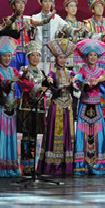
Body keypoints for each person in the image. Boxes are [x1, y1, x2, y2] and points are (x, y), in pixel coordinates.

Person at [37, 38, 77, 176]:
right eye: (60, 57)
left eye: (64, 57)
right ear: (56, 58)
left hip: (68, 106)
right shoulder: (52, 72)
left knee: (67, 134)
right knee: (55, 133)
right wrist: (51, 82)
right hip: (57, 106)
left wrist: (74, 83)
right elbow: (50, 83)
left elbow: (76, 87)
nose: (62, 60)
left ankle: (67, 166)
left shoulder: (71, 73)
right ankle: (53, 166)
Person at [73, 39, 105, 176]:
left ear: (98, 57)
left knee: (98, 136)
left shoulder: (101, 71)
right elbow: (78, 78)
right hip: (84, 106)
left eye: (95, 55)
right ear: (87, 57)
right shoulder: (83, 70)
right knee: (83, 136)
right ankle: (82, 165)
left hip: (96, 107)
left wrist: (99, 80)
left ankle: (99, 165)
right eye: (90, 55)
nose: (93, 57)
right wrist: (77, 80)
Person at [0, 36, 22, 177]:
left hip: (12, 109)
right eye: (4, 56)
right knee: (2, 137)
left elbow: (23, 81)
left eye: (9, 56)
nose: (7, 58)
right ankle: (0, 168)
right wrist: (9, 83)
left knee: (11, 137)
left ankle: (11, 167)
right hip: (1, 109)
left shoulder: (14, 70)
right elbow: (1, 83)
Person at [18, 41, 50, 176]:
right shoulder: (24, 70)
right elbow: (22, 82)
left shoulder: (42, 72)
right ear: (28, 57)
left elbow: (46, 85)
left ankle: (33, 164)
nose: (35, 58)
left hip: (39, 105)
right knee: (27, 135)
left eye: (38, 55)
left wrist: (49, 83)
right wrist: (36, 88)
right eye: (33, 55)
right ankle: (26, 166)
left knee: (35, 135)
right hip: (27, 106)